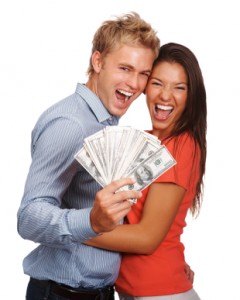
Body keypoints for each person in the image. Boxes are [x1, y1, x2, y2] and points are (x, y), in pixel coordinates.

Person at [17, 12, 160, 300]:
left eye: (143, 73)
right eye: (124, 68)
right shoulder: (71, 124)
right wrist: (92, 221)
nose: (134, 83)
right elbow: (28, 218)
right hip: (61, 295)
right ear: (98, 62)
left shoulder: (105, 121)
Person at [85, 42, 207, 300]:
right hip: (142, 290)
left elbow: (146, 238)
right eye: (157, 83)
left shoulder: (179, 146)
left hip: (160, 292)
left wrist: (74, 231)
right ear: (144, 87)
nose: (165, 96)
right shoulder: (144, 141)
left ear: (191, 95)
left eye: (179, 87)